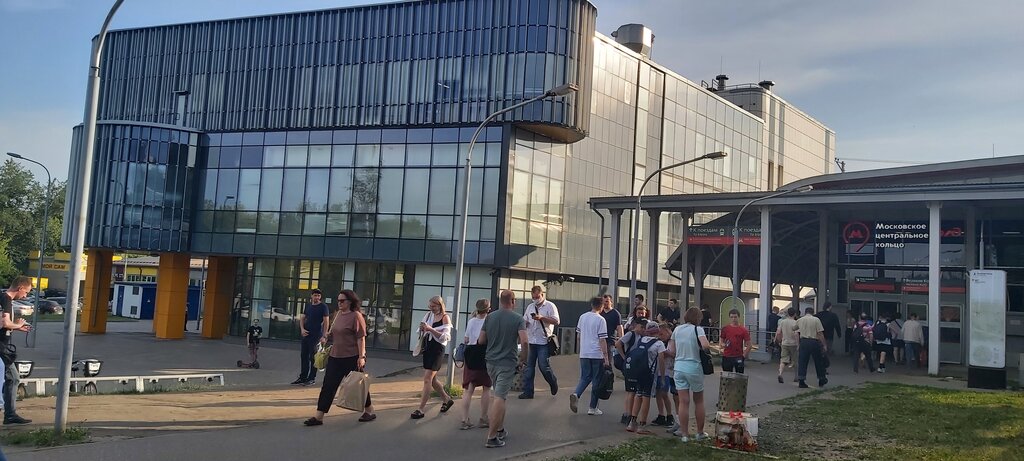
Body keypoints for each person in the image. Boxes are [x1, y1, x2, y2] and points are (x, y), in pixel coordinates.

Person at [303, 289, 375, 425]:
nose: (339, 303)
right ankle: (319, 416)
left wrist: (362, 356)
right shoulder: (338, 315)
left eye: (342, 301)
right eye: (338, 300)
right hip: (335, 356)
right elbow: (333, 333)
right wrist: (325, 338)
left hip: (351, 357)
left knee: (357, 385)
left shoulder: (356, 316)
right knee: (328, 386)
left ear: (350, 301)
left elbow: (361, 338)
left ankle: (369, 410)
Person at [477, 290, 528, 449]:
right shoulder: (518, 319)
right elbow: (525, 342)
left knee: (500, 396)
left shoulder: (490, 317)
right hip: (507, 363)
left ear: (500, 301)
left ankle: (499, 429)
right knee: (499, 397)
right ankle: (491, 438)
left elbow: (481, 340)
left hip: (490, 362)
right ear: (513, 301)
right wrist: (523, 360)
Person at [664, 307, 712, 443]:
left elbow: (671, 350)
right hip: (694, 367)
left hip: (679, 367)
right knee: (699, 401)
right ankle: (699, 432)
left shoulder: (677, 330)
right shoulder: (698, 330)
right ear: (698, 318)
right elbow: (705, 346)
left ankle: (684, 434)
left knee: (683, 402)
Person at [411, 295, 454, 419]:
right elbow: (422, 329)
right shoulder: (428, 315)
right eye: (430, 306)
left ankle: (420, 409)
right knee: (433, 380)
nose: (432, 309)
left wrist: (431, 329)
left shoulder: (445, 318)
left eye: (434, 306)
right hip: (428, 348)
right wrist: (422, 329)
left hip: (437, 350)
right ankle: (446, 399)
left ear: (440, 305)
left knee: (427, 379)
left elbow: (445, 337)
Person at [569, 297, 609, 416]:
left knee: (585, 377)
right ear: (601, 307)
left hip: (584, 352)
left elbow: (578, 336)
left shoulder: (583, 317)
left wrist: (580, 350)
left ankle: (577, 393)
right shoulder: (601, 320)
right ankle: (593, 407)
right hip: (596, 353)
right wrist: (606, 357)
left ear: (591, 305)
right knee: (596, 380)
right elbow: (602, 340)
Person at [0, 276, 32, 425]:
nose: (25, 296)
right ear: (20, 288)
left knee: (11, 378)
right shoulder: (6, 299)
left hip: (3, 345)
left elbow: (4, 325)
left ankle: (9, 413)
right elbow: (5, 322)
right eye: (26, 292)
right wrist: (18, 325)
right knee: (13, 377)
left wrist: (18, 328)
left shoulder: (5, 299)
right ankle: (10, 414)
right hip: (1, 347)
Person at [625, 321, 666, 435]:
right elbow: (661, 361)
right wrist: (662, 377)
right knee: (646, 397)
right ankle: (642, 424)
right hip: (650, 373)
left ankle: (632, 422)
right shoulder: (659, 344)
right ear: (657, 331)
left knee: (638, 395)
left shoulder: (641, 340)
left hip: (639, 372)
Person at [519, 285, 559, 399]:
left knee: (543, 366)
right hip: (531, 340)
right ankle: (528, 391)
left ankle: (552, 381)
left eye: (537, 297)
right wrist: (524, 323)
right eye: (533, 297)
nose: (535, 299)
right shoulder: (530, 307)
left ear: (542, 295)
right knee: (529, 367)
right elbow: (525, 320)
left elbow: (556, 321)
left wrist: (542, 318)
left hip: (543, 341)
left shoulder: (550, 306)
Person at [459, 299, 492, 430]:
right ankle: (483, 418)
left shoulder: (471, 321)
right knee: (486, 387)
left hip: (471, 355)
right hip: (485, 355)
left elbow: (466, 339)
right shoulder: (489, 321)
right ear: (488, 309)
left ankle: (464, 419)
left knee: (469, 389)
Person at [292, 288, 330, 386]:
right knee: (303, 355)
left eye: (318, 295)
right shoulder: (308, 306)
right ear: (311, 296)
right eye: (315, 295)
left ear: (320, 297)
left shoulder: (323, 307)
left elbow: (326, 321)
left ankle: (311, 378)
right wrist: (302, 329)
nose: (316, 297)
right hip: (306, 334)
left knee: (313, 357)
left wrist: (324, 335)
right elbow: (302, 318)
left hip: (316, 335)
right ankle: (303, 377)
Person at [615, 319, 646, 424]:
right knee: (631, 391)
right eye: (641, 327)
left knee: (633, 391)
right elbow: (618, 344)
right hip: (630, 363)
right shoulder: (630, 334)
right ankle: (628, 413)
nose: (643, 330)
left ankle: (630, 413)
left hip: (637, 364)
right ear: (636, 326)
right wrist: (624, 357)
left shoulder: (642, 337)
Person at [654, 323, 679, 431]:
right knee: (659, 393)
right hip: (661, 371)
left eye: (662, 334)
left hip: (672, 371)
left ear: (668, 331)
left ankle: (672, 416)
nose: (660, 336)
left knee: (671, 394)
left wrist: (666, 353)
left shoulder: (674, 341)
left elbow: (676, 354)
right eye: (658, 334)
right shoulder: (660, 342)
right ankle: (661, 415)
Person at [796, 307, 828, 388]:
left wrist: (797, 343)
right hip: (814, 342)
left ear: (805, 312)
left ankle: (801, 380)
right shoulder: (816, 320)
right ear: (813, 312)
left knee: (802, 361)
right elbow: (820, 333)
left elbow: (794, 329)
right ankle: (821, 379)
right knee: (818, 361)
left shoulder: (800, 320)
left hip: (804, 341)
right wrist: (824, 344)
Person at [719, 309, 752, 373]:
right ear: (729, 318)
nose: (733, 319)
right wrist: (723, 345)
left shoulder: (743, 330)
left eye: (735, 317)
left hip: (738, 356)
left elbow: (749, 345)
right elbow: (721, 341)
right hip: (727, 356)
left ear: (738, 317)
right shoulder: (725, 329)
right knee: (727, 377)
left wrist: (744, 355)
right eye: (731, 317)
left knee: (739, 378)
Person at [774, 307, 799, 384]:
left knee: (783, 360)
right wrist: (798, 344)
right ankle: (796, 377)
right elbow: (796, 334)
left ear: (787, 314)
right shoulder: (795, 322)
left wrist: (779, 341)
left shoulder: (782, 322)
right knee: (795, 360)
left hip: (784, 343)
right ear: (794, 314)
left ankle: (780, 374)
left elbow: (778, 333)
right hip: (793, 344)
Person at [600, 294, 624, 359]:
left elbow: (619, 328)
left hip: (610, 341)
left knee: (608, 360)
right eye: (603, 301)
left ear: (611, 302)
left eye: (607, 301)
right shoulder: (599, 312)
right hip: (600, 340)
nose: (605, 303)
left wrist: (621, 340)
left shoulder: (615, 313)